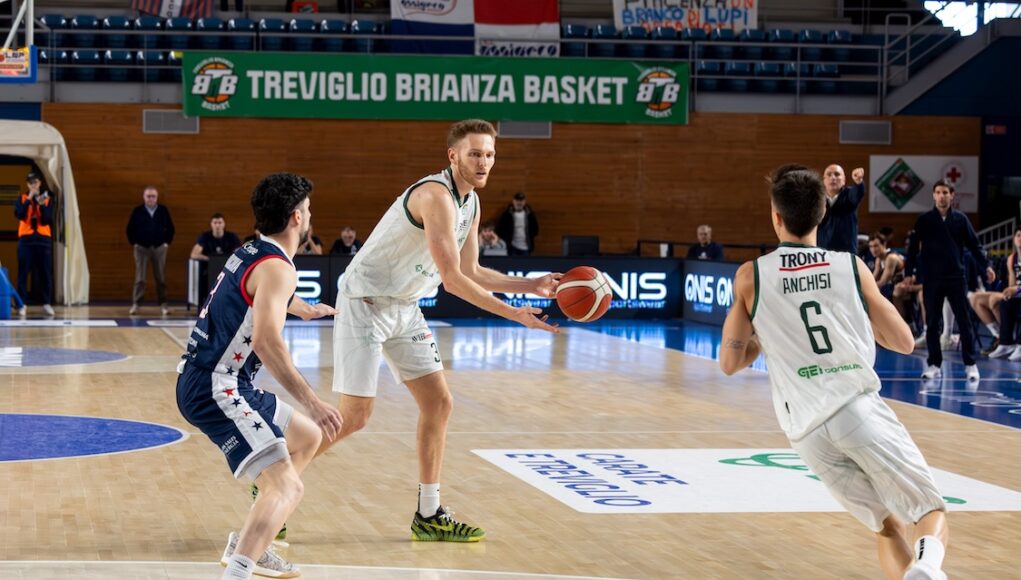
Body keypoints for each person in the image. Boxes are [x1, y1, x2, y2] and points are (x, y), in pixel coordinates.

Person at [326, 119, 560, 542]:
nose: (484, 162)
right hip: (366, 302)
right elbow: (453, 280)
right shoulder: (435, 196)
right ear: (453, 156)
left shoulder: (471, 203)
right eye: (475, 154)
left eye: (489, 154)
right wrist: (514, 314)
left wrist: (532, 285)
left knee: (439, 403)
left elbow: (473, 270)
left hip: (405, 306)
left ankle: (429, 513)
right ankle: (275, 473)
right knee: (356, 416)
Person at [720, 164, 949, 580]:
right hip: (855, 408)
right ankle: (929, 566)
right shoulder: (851, 267)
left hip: (805, 431)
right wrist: (858, 318)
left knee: (886, 526)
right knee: (928, 510)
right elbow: (903, 341)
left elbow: (730, 362)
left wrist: (769, 333)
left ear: (775, 216)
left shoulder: (750, 277)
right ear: (823, 213)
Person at [176, 173, 342, 580]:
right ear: (296, 218)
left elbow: (263, 292)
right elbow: (268, 343)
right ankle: (237, 572)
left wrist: (305, 309)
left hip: (219, 379)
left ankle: (252, 542)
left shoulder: (252, 250)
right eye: (308, 210)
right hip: (216, 386)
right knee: (289, 487)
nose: (310, 216)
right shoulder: (278, 268)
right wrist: (313, 402)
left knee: (308, 437)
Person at [904, 180, 994, 382]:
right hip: (932, 278)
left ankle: (970, 364)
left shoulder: (961, 219)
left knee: (964, 322)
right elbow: (912, 249)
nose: (941, 196)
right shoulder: (924, 220)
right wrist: (909, 272)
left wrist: (986, 266)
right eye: (938, 192)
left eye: (945, 192)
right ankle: (934, 364)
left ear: (952, 195)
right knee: (932, 323)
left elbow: (975, 246)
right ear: (933, 195)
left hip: (956, 277)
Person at [126, 186, 175, 316]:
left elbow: (170, 228)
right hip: (141, 248)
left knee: (160, 277)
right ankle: (136, 304)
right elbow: (130, 229)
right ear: (144, 197)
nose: (151, 198)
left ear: (157, 198)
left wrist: (166, 243)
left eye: (153, 196)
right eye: (148, 196)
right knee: (140, 278)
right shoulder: (138, 211)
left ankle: (163, 304)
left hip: (159, 248)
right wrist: (135, 243)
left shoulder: (163, 210)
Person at [14, 171, 55, 317]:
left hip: (43, 240)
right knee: (23, 272)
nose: (33, 185)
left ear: (40, 183)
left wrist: (41, 204)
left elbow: (46, 219)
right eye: (31, 183)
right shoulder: (22, 198)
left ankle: (46, 303)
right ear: (27, 184)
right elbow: (20, 214)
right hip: (26, 240)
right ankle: (22, 304)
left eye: (36, 182)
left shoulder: (47, 199)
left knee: (45, 272)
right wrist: (29, 199)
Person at [987, 227, 1021, 361]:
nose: (1020, 238)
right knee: (1005, 302)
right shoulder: (1012, 259)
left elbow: (1016, 289)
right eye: (1018, 235)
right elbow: (1012, 285)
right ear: (1014, 238)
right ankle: (1006, 343)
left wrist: (1017, 290)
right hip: (1018, 295)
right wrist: (1010, 291)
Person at [816, 164, 865, 253]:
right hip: (822, 252)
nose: (833, 178)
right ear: (824, 180)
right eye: (829, 175)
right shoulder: (817, 199)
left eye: (837, 174)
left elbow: (857, 194)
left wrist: (858, 182)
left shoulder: (849, 195)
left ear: (844, 180)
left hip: (846, 252)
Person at [496, 191, 539, 256]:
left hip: (526, 247)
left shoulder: (530, 214)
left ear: (524, 202)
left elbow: (535, 229)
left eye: (521, 200)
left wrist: (530, 237)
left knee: (525, 262)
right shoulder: (507, 214)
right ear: (513, 201)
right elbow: (500, 229)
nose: (519, 202)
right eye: (517, 200)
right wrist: (506, 240)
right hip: (512, 247)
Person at [868, 231, 905, 300]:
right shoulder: (878, 258)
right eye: (871, 246)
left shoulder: (891, 258)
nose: (873, 249)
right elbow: (873, 278)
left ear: (884, 244)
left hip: (907, 284)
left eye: (876, 246)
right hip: (895, 284)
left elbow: (883, 281)